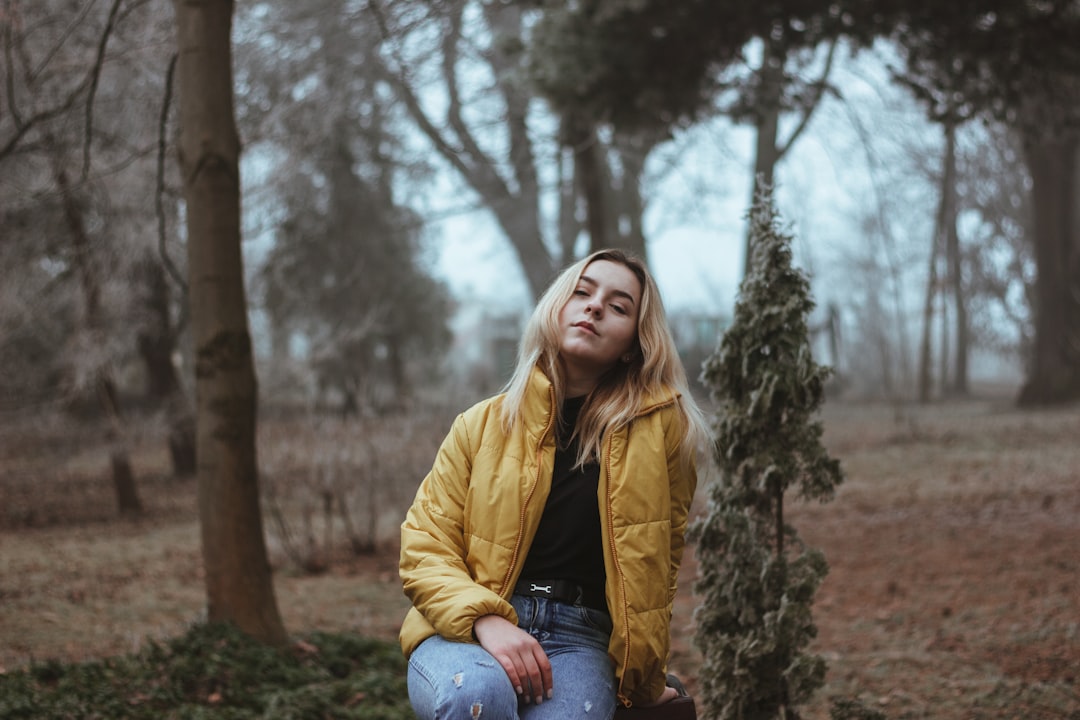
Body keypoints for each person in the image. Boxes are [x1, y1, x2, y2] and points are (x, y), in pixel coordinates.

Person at [399, 248, 710, 719]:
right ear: (556, 309)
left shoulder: (666, 436)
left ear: (633, 343)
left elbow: (655, 571)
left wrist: (642, 681)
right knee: (477, 697)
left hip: (580, 640)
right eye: (582, 293)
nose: (595, 306)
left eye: (619, 305)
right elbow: (424, 545)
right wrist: (486, 618)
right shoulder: (479, 425)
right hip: (465, 629)